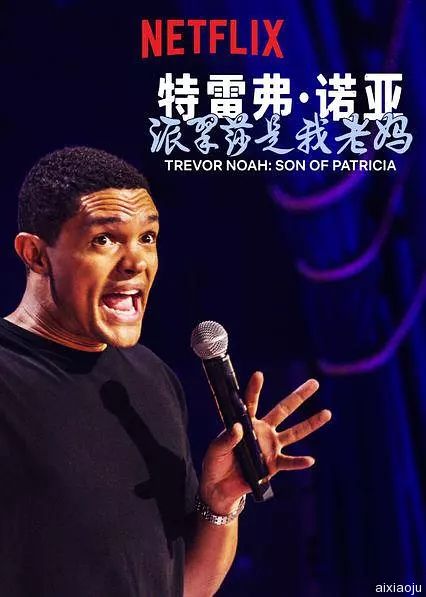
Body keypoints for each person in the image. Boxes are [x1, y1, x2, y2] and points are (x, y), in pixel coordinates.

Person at [0, 146, 332, 597]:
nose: (136, 261)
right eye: (104, 239)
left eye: (148, 237)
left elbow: (183, 588)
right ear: (36, 255)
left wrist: (221, 502)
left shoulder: (150, 377)